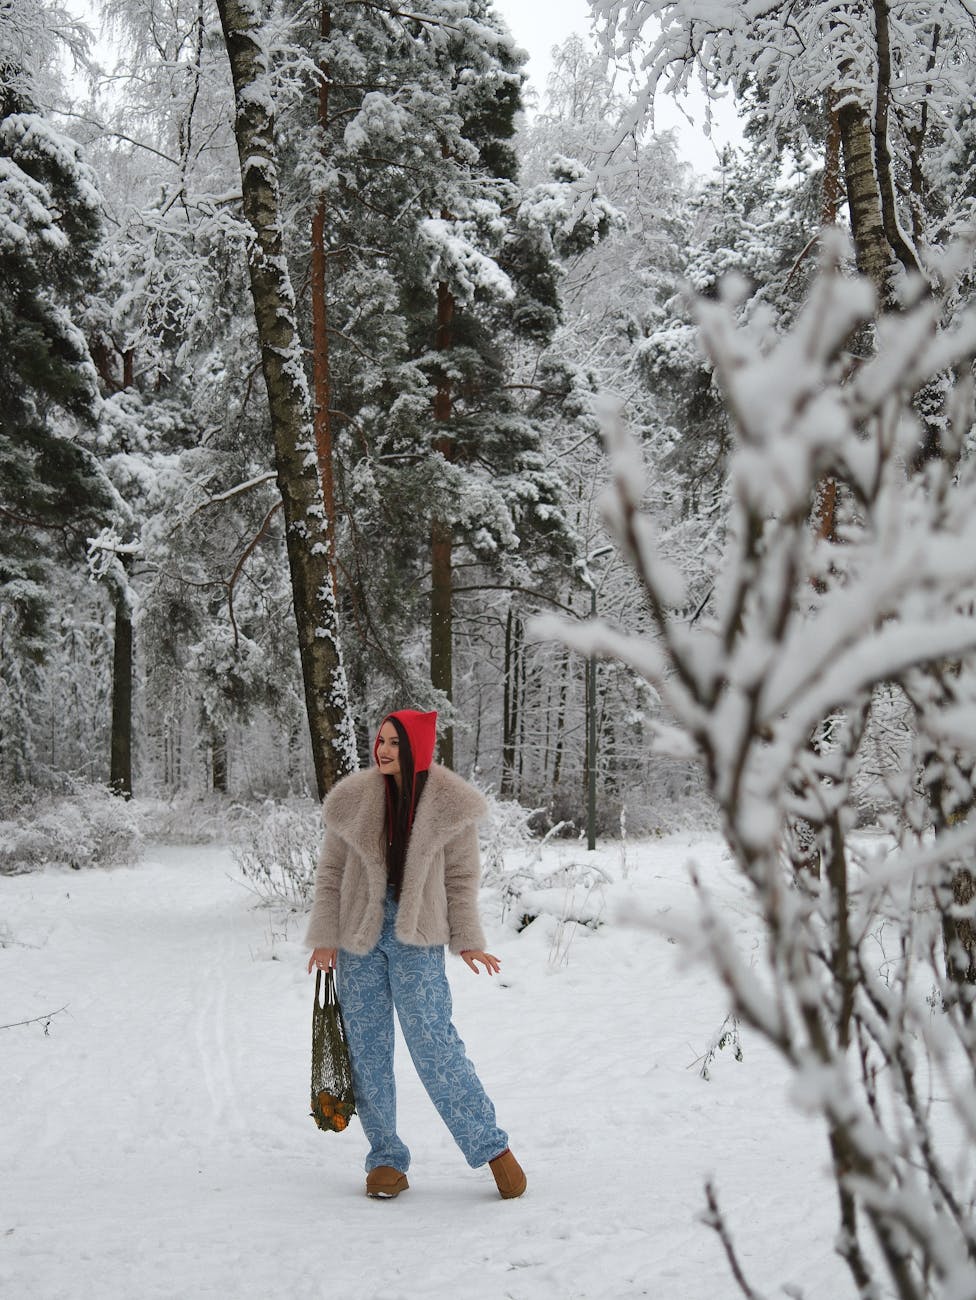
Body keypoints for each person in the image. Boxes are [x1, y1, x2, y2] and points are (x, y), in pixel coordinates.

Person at [305, 708, 526, 1201]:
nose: (382, 750)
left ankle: (492, 1147)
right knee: (367, 1048)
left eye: (394, 743)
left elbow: (460, 880)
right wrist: (324, 935)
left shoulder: (450, 807)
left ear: (416, 749)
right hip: (358, 936)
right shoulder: (353, 800)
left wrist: (467, 939)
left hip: (417, 937)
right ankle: (385, 1158)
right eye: (380, 740)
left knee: (434, 1043)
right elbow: (331, 874)